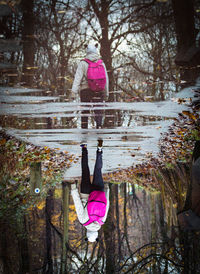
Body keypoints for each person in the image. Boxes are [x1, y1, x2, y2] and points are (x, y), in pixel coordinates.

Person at [70, 139, 110, 242]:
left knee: (98, 170)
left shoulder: (102, 221)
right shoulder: (83, 221)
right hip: (85, 193)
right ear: (87, 233)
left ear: (96, 233)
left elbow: (107, 204)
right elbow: (78, 204)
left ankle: (99, 150)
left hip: (98, 192)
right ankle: (84, 148)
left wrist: (106, 190)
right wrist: (73, 189)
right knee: (85, 170)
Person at [71, 43, 109, 129]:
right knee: (98, 111)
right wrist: (106, 93)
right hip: (99, 90)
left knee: (85, 111)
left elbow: (78, 78)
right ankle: (99, 126)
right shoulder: (101, 63)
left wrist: (74, 91)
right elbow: (105, 79)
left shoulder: (83, 63)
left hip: (85, 90)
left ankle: (84, 129)